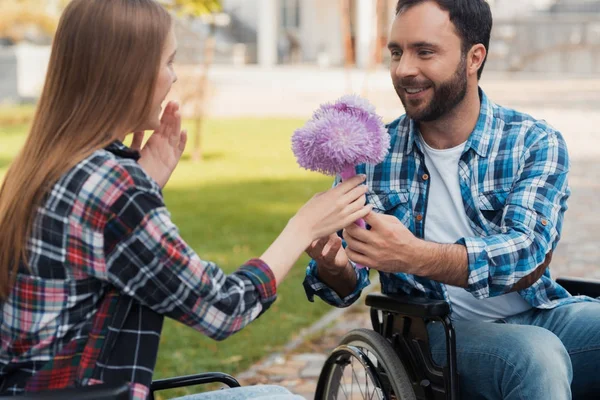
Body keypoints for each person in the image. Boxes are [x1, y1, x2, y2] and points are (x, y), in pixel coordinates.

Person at [0, 1, 372, 399]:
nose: (174, 78)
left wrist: (145, 183)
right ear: (128, 73)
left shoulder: (44, 164)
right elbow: (224, 309)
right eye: (169, 62)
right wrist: (304, 227)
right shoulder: (113, 187)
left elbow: (101, 266)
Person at [304, 0, 600, 398]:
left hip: (538, 312)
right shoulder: (373, 158)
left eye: (424, 51)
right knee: (535, 355)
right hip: (434, 337)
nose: (404, 69)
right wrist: (334, 265)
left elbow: (527, 253)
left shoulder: (532, 142)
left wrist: (413, 254)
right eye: (396, 52)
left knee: (539, 344)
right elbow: (344, 284)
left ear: (473, 57)